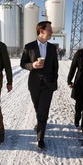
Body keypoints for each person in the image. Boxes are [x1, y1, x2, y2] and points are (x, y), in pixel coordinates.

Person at [20, 21, 59, 149]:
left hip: (48, 85)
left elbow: (55, 67)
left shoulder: (53, 48)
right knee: (38, 108)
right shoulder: (29, 46)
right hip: (34, 84)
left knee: (43, 110)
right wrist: (32, 66)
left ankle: (40, 138)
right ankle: (40, 122)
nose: (52, 32)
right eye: (49, 30)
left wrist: (54, 83)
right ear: (41, 31)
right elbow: (23, 63)